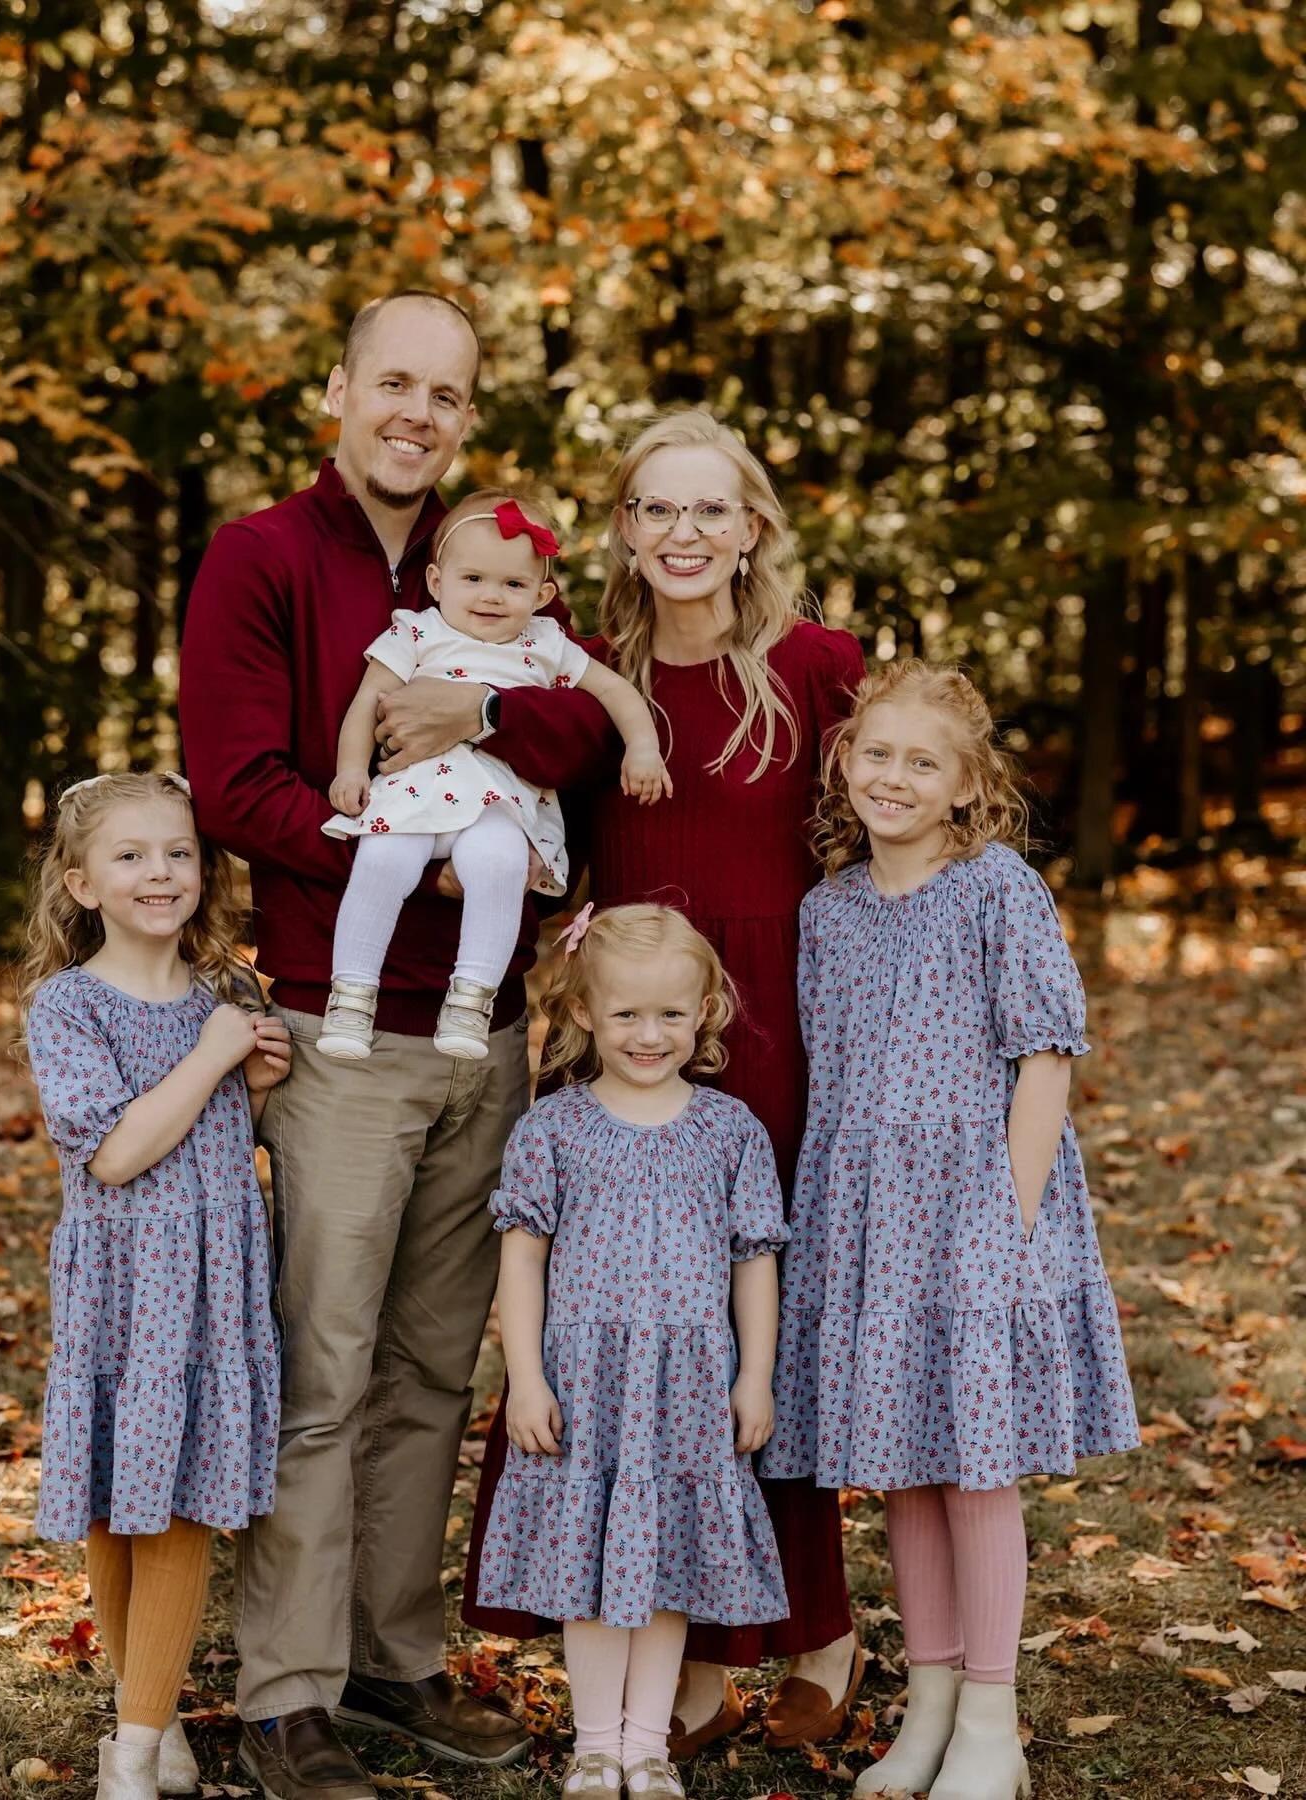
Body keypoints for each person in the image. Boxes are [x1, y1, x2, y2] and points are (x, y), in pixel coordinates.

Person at [179, 293, 615, 1800]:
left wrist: (478, 708)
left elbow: (588, 738)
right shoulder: (262, 560)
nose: (418, 413)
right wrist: (411, 854)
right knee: (327, 1360)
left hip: (486, 1033)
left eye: (446, 392)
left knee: (437, 1363)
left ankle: (393, 1655)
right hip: (337, 1029)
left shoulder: (492, 565)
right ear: (341, 391)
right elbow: (237, 785)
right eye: (395, 384)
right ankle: (285, 1689)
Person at [465, 409, 866, 1754]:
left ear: (753, 525)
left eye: (711, 510)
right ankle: (680, 1645)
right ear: (624, 532)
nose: (684, 534)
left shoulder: (818, 668)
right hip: (629, 1025)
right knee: (635, 1335)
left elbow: (896, 837)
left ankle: (816, 1622)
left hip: (784, 1028)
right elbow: (518, 822)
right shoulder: (587, 678)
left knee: (761, 1325)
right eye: (657, 510)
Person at [760, 659, 1139, 1800]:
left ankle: (990, 1721)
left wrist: (1009, 1225)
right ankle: (925, 1707)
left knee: (973, 1470)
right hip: (866, 1220)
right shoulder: (825, 912)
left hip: (976, 1209)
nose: (894, 776)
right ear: (842, 762)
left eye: (924, 761)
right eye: (875, 753)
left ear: (970, 787)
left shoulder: (997, 891)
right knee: (904, 1473)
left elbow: (1045, 1060)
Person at [476, 904, 789, 1800]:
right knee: (587, 1567)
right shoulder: (554, 1129)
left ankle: (649, 1742)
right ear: (581, 1014)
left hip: (689, 1386)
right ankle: (594, 1743)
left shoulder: (729, 1131)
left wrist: (754, 1375)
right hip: (584, 1384)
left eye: (670, 1015)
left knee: (665, 1567)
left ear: (704, 1015)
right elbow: (523, 1257)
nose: (649, 1036)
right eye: (625, 1015)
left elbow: (753, 1262)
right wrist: (525, 1376)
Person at [19, 771, 289, 1800]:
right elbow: (118, 1154)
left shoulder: (231, 994)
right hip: (124, 1284)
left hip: (212, 1286)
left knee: (175, 1505)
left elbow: (223, 1140)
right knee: (115, 1503)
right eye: (130, 856)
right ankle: (148, 1719)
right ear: (83, 883)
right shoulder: (68, 1005)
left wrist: (251, 1087)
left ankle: (133, 1749)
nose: (159, 873)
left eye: (178, 852)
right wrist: (216, 1056)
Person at [320, 490, 670, 1062]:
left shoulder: (546, 643)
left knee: (501, 864)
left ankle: (472, 998)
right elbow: (367, 702)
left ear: (542, 595)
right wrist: (351, 768)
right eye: (474, 578)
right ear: (436, 581)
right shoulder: (416, 633)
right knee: (382, 862)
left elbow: (614, 692)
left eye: (512, 585)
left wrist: (643, 748)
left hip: (498, 804)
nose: (491, 596)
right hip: (416, 794)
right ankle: (352, 993)